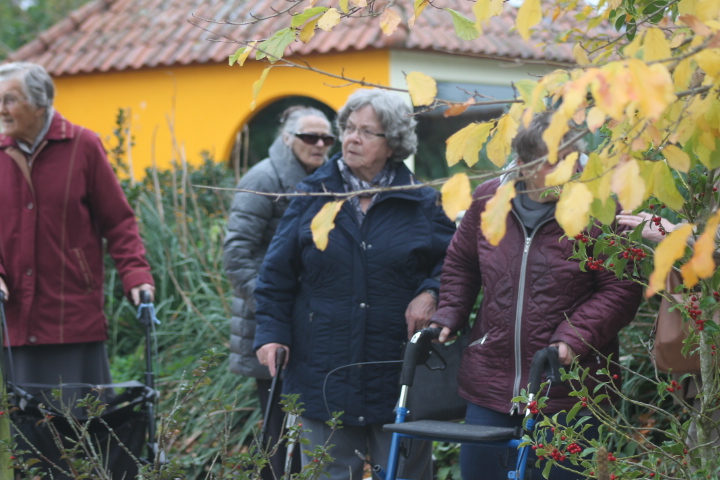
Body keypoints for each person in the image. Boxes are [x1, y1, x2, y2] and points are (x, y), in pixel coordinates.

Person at [253, 88, 456, 479]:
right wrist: (271, 334)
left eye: (366, 131)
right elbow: (275, 275)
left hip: (398, 373)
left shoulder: (422, 201)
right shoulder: (312, 195)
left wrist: (431, 292)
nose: (351, 138)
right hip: (323, 372)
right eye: (348, 128)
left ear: (392, 142)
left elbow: (456, 264)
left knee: (405, 475)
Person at [430, 111, 644, 480]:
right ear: (526, 164)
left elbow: (621, 287)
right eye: (556, 161)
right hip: (491, 383)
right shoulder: (488, 200)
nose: (570, 169)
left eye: (572, 157)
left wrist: (572, 339)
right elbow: (462, 263)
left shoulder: (600, 205)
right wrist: (449, 311)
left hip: (567, 388)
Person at [0, 62, 154, 475]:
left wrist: (137, 277)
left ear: (40, 103)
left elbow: (119, 223)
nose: (1, 109)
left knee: (84, 436)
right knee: (27, 441)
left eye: (9, 100)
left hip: (73, 318)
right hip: (14, 320)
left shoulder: (83, 146)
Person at [223, 105, 334, 478]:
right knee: (278, 427)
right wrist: (273, 308)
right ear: (287, 138)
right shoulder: (262, 179)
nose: (319, 144)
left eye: (326, 138)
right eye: (309, 136)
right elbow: (236, 255)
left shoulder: (329, 180)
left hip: (313, 322)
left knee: (308, 425)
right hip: (271, 325)